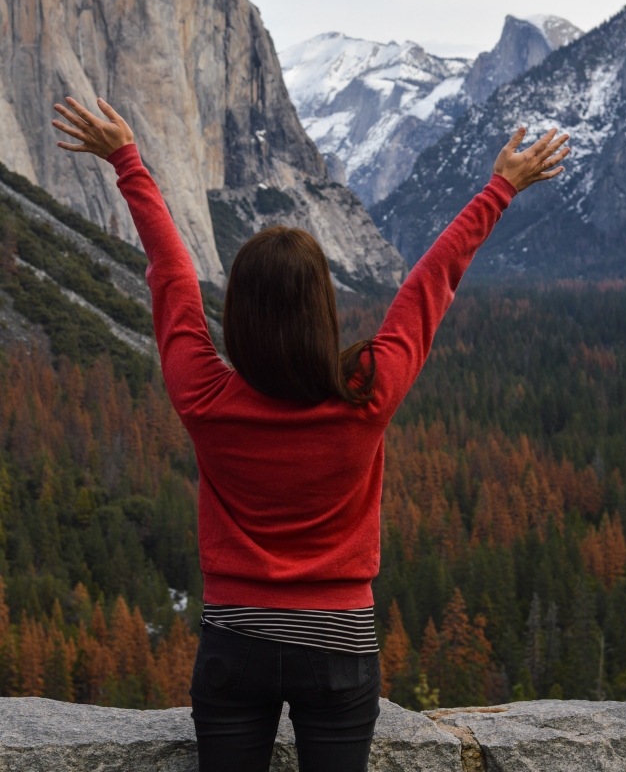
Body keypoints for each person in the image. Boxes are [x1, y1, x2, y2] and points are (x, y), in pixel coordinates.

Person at [52, 96, 569, 772]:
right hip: (337, 641)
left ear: (237, 315)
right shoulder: (366, 394)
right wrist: (499, 188)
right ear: (323, 312)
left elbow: (172, 279)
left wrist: (127, 163)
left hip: (234, 638)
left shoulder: (204, 396)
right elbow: (427, 286)